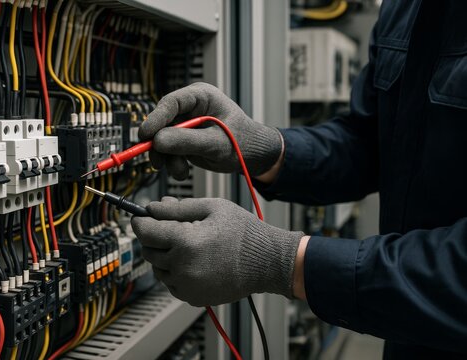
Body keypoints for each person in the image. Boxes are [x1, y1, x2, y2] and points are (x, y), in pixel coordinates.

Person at [130, 1, 467, 358]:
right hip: (404, 329)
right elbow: (372, 142)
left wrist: (282, 261)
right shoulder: (407, 9)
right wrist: (267, 148)